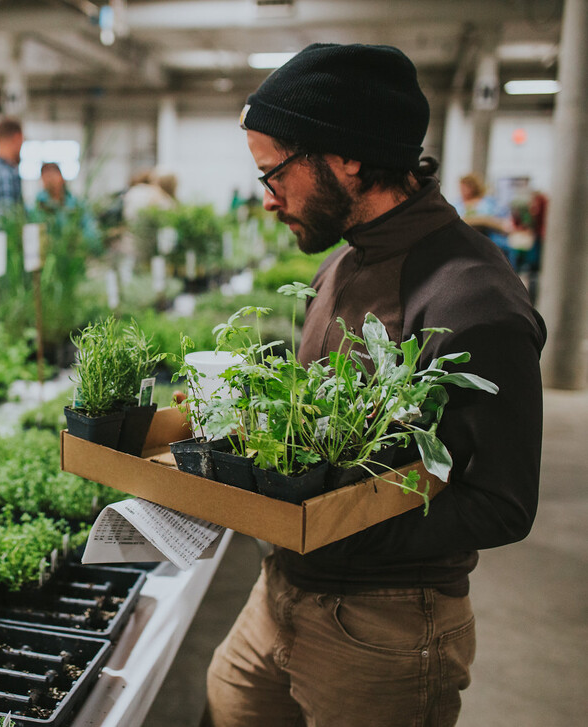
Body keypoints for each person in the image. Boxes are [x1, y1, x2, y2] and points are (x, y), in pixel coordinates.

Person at [204, 43, 545, 727]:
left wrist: (338, 528)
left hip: (384, 625)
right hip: (279, 592)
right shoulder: (339, 266)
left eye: (273, 175)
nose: (268, 201)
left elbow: (504, 504)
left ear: (345, 157)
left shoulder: (473, 300)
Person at [33, 162, 102, 254]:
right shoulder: (37, 208)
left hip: (76, 256)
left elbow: (92, 232)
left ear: (62, 178)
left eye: (53, 175)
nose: (50, 180)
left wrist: (80, 241)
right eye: (46, 176)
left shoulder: (77, 205)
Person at [454, 173, 514, 267]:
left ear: (473, 187)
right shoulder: (456, 204)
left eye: (465, 187)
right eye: (461, 188)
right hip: (464, 244)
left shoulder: (489, 203)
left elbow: (503, 223)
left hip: (487, 241)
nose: (462, 191)